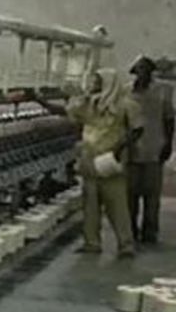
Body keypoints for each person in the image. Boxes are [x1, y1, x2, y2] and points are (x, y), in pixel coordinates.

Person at [36, 68, 143, 258]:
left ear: (108, 83)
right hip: (89, 159)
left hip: (109, 161)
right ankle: (91, 242)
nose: (93, 85)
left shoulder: (126, 105)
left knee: (117, 204)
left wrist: (119, 149)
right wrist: (37, 100)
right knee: (90, 204)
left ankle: (126, 245)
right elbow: (61, 111)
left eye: (97, 81)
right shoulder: (88, 104)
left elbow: (137, 129)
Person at [127, 55, 174, 244]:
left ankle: (150, 231)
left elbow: (169, 119)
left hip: (155, 147)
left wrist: (168, 143)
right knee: (130, 193)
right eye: (139, 69)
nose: (142, 73)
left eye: (145, 69)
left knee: (152, 194)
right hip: (131, 149)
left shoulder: (163, 91)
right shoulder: (126, 92)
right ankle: (130, 229)